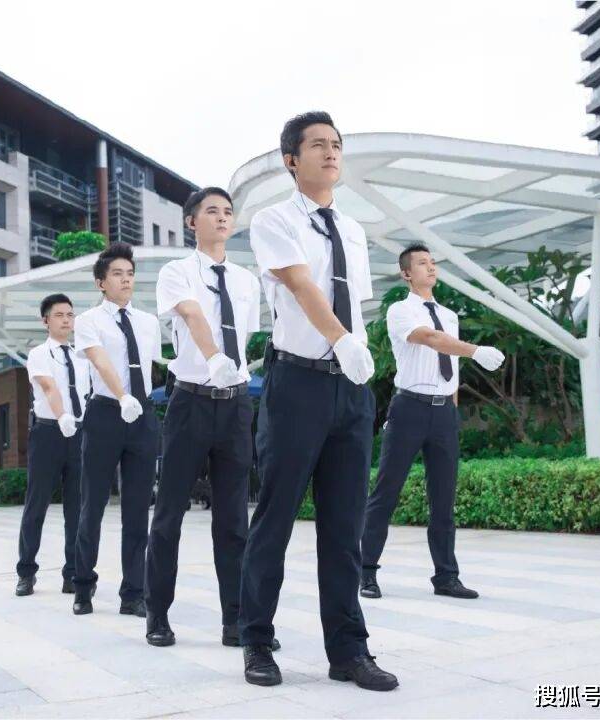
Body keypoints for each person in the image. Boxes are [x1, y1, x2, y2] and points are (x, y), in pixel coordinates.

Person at [237, 111, 397, 692]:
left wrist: (358, 354)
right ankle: (256, 639)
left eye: (337, 145)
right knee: (275, 517)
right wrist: (341, 341)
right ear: (291, 160)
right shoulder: (273, 220)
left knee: (344, 525)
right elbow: (302, 286)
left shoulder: (352, 230)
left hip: (350, 388)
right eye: (318, 145)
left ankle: (349, 651)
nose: (331, 153)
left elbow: (357, 303)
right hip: (297, 384)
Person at [145, 187, 276, 650]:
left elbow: (248, 334)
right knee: (168, 515)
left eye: (227, 212)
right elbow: (192, 313)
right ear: (191, 222)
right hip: (190, 402)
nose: (222, 218)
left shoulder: (246, 281)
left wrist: (229, 367)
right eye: (212, 211)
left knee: (234, 520)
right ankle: (157, 614)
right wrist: (213, 356)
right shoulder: (176, 272)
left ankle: (235, 620)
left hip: (236, 405)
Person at [360, 243, 505, 601]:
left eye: (433, 262)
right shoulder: (400, 310)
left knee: (443, 498)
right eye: (422, 263)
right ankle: (366, 572)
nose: (431, 267)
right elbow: (429, 339)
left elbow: (450, 366)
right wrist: (475, 351)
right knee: (386, 493)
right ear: (406, 273)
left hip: (443, 412)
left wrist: (452, 410)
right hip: (409, 408)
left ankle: (446, 577)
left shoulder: (449, 315)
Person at [69, 242, 162, 618]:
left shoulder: (148, 322)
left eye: (130, 274)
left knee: (138, 511)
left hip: (142, 417)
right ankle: (83, 586)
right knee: (91, 506)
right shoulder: (89, 320)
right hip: (106, 414)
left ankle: (133, 593)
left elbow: (151, 365)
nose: (126, 280)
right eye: (118, 274)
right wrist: (122, 396)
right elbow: (100, 360)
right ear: (101, 283)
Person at [15, 293, 90, 597]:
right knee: (37, 505)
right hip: (48, 434)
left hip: (79, 436)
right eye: (59, 315)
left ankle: (72, 574)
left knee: (77, 509)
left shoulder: (82, 356)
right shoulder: (38, 354)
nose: (66, 320)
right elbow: (49, 388)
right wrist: (62, 417)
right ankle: (26, 572)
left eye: (70, 315)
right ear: (45, 320)